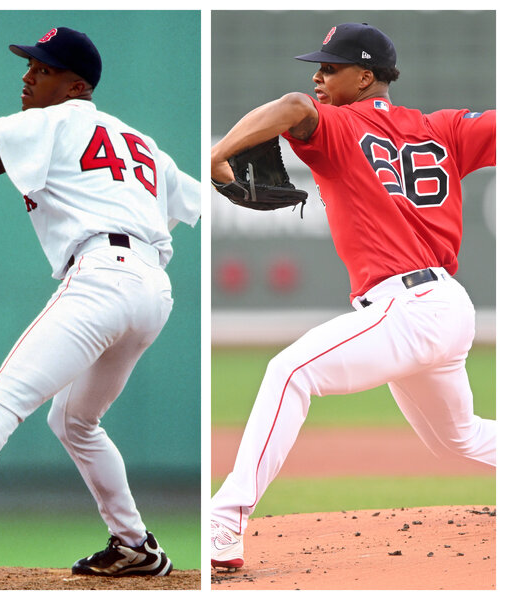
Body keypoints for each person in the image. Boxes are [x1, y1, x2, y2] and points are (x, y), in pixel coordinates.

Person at [0, 26, 200, 579]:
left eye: (41, 70)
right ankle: (135, 545)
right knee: (76, 421)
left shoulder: (55, 118)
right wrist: (229, 171)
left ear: (75, 86)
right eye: (28, 66)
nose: (26, 77)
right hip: (152, 290)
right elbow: (192, 196)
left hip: (101, 277)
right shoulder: (141, 142)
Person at [210, 22, 496, 570]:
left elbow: (293, 105)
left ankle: (226, 517)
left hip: (407, 307)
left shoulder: (338, 127)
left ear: (366, 77)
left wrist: (221, 152)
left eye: (330, 68)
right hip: (449, 307)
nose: (318, 77)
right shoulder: (444, 127)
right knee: (458, 439)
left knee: (291, 371)